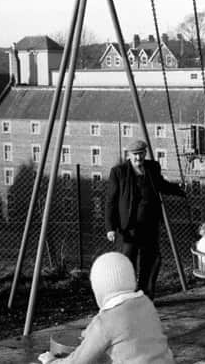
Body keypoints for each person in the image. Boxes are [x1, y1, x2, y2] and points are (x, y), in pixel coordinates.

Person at [38, 252, 174, 364]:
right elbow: (128, 334)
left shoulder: (105, 322)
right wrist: (90, 334)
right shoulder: (145, 304)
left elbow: (78, 361)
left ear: (100, 290)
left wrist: (51, 361)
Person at [105, 139, 185, 300]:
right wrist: (110, 227)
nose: (138, 158)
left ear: (145, 153)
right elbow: (111, 201)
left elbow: (161, 184)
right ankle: (127, 295)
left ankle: (145, 294)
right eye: (135, 155)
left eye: (141, 154)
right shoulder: (119, 172)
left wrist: (179, 190)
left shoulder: (152, 167)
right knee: (128, 261)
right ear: (129, 155)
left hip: (150, 223)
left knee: (152, 259)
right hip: (129, 226)